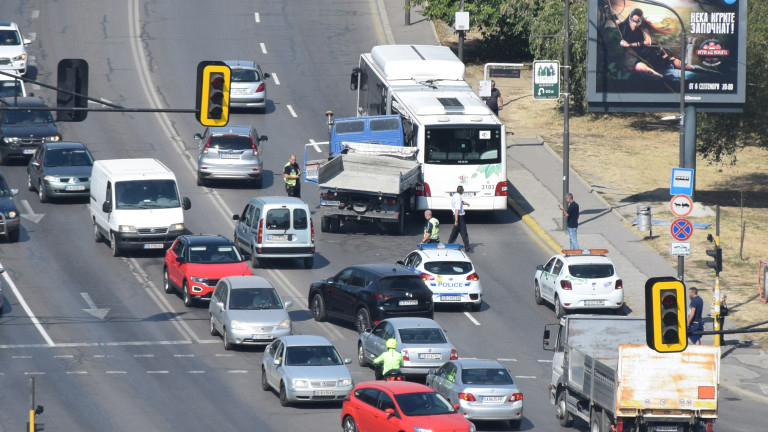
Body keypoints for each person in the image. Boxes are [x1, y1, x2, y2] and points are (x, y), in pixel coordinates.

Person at [447, 185, 472, 252]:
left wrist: (466, 203)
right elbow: (457, 210)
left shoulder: (455, 195)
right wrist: (456, 220)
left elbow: (460, 202)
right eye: (463, 190)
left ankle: (449, 244)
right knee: (464, 232)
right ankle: (467, 248)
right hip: (459, 217)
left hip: (457, 216)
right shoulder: (458, 198)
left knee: (455, 232)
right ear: (461, 191)